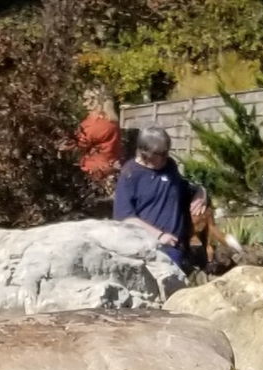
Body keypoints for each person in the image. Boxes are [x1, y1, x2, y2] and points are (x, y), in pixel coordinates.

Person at [113, 127, 192, 269]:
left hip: (176, 248)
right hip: (149, 251)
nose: (166, 156)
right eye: (161, 154)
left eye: (167, 152)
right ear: (145, 153)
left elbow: (182, 188)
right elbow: (125, 218)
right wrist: (160, 236)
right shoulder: (130, 174)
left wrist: (200, 192)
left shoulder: (170, 166)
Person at [76, 87, 122, 189]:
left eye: (87, 99)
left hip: (96, 172)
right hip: (109, 169)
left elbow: (78, 143)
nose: (85, 104)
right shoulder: (112, 121)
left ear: (97, 102)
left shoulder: (98, 125)